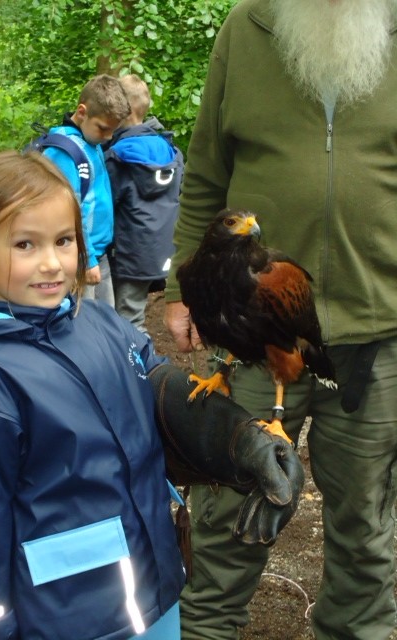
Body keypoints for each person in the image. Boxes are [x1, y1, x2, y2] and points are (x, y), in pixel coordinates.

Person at [0, 150, 304, 640]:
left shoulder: (99, 322)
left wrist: (238, 441)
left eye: (63, 240)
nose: (52, 262)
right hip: (66, 624)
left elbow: (155, 386)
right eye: (24, 244)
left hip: (156, 598)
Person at [164, 0, 397, 639]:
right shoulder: (248, 28)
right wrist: (181, 290)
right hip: (249, 334)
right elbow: (205, 172)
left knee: (366, 530)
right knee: (225, 521)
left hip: (379, 332)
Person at [105, 74, 184, 333]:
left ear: (120, 110)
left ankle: (139, 359)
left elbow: (106, 204)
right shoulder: (171, 151)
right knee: (134, 313)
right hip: (162, 251)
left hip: (130, 254)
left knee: (128, 321)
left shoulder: (117, 156)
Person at [44, 74, 131, 306]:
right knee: (85, 318)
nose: (108, 137)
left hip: (98, 252)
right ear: (82, 112)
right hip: (80, 257)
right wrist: (87, 258)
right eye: (103, 128)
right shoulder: (64, 152)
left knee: (106, 318)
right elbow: (69, 211)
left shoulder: (91, 142)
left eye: (113, 131)